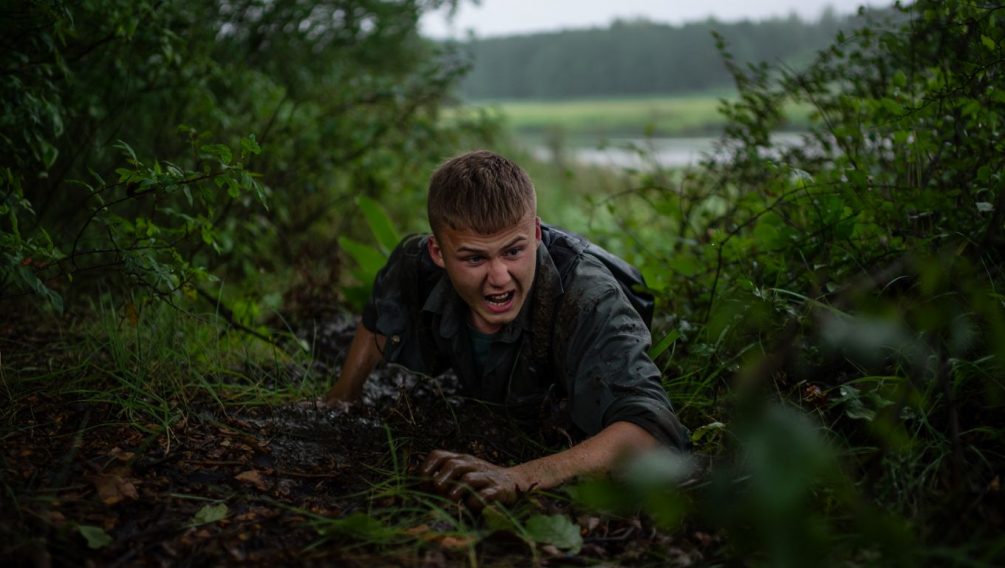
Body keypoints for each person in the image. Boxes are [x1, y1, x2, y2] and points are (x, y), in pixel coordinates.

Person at [323, 150, 688, 507]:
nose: (499, 278)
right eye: (474, 258)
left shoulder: (589, 298)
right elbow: (377, 319)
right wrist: (341, 398)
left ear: (536, 233)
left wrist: (519, 477)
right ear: (438, 252)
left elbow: (652, 432)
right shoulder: (416, 264)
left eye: (513, 251)